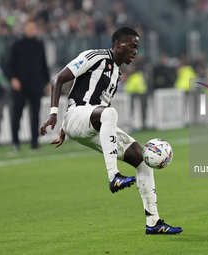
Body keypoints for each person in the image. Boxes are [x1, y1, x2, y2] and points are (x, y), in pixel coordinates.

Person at [40, 27, 182, 235]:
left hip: (89, 124)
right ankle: (113, 176)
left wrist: (63, 129)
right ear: (117, 44)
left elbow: (95, 106)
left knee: (142, 160)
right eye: (132, 46)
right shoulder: (94, 56)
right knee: (110, 113)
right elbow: (58, 79)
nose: (135, 51)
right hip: (77, 115)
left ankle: (153, 221)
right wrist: (55, 114)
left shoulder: (117, 74)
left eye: (137, 48)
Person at [6, 21, 50, 151]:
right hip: (20, 87)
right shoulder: (16, 45)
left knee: (35, 115)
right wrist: (13, 79)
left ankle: (34, 143)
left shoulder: (39, 45)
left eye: (33, 28)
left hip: (36, 85)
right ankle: (15, 142)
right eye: (29, 28)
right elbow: (8, 66)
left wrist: (48, 82)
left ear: (36, 29)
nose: (31, 30)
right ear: (24, 29)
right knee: (17, 114)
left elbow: (43, 65)